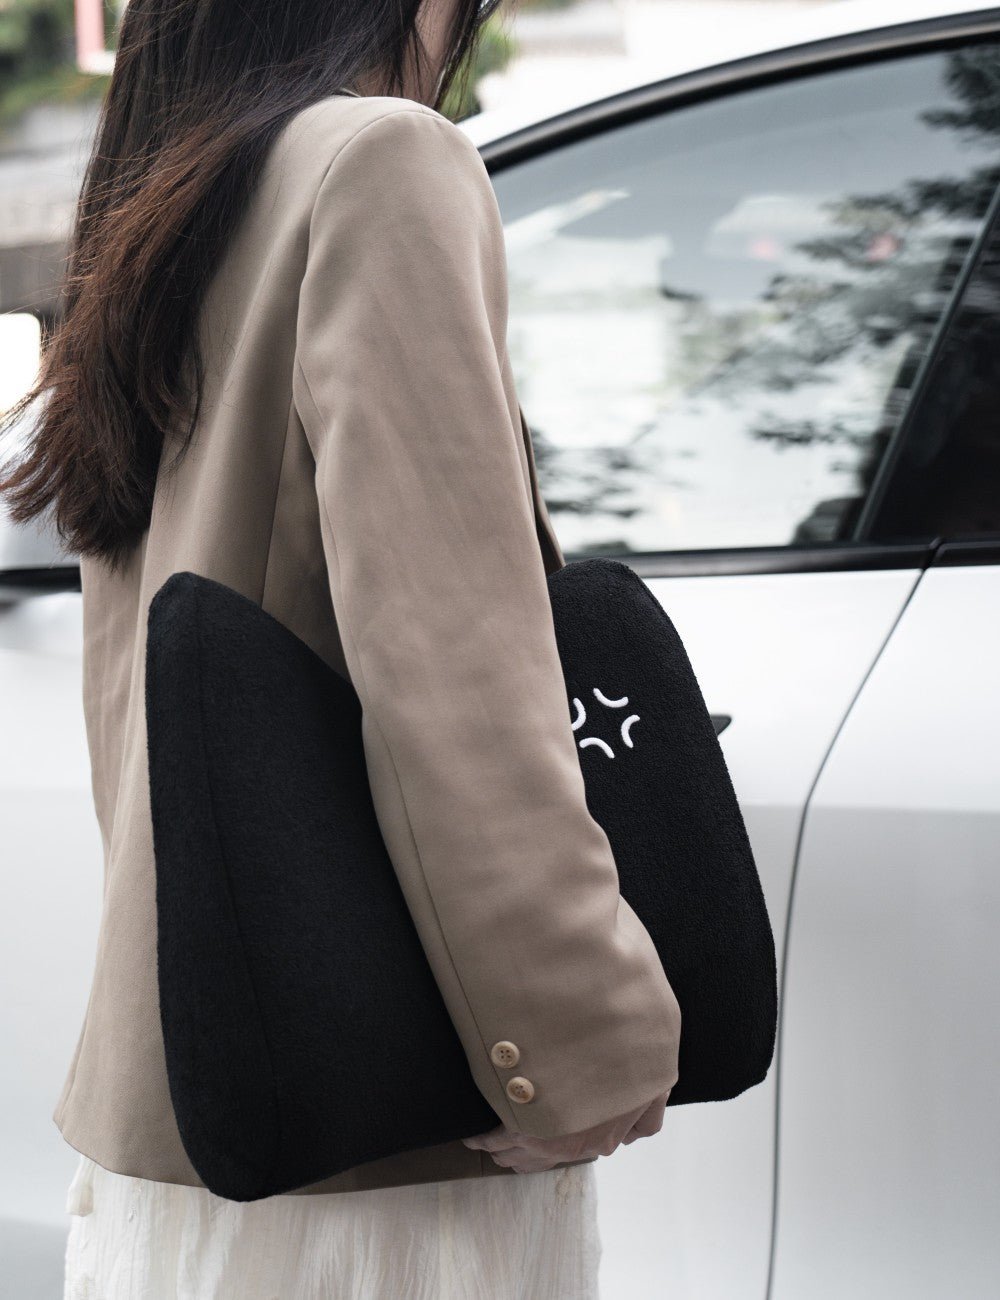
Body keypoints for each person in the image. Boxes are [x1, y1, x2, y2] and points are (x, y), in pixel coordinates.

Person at [0, 1, 682, 1295]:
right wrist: (578, 1042)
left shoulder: (168, 210)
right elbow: (451, 664)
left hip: (193, 1119)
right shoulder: (382, 162)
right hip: (385, 1163)